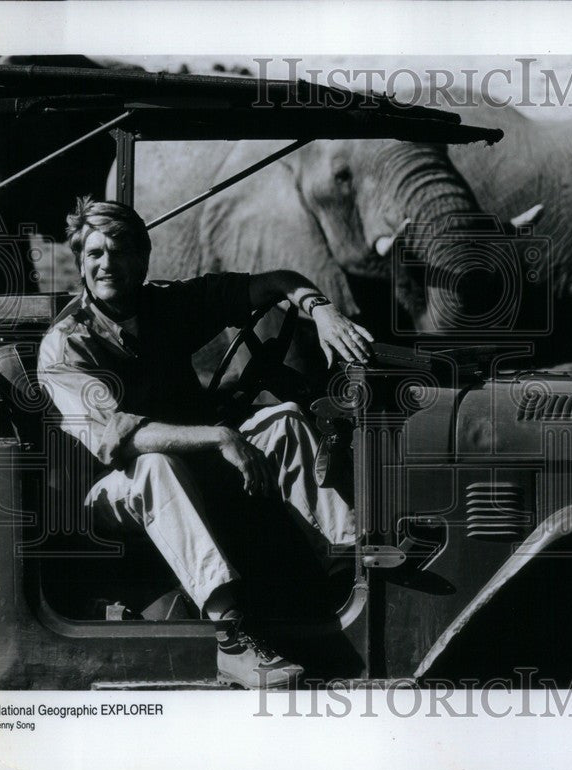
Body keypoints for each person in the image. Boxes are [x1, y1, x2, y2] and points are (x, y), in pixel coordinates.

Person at [37, 197, 374, 689]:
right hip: (103, 497)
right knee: (155, 465)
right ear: (81, 263)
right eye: (94, 254)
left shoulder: (166, 305)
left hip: (188, 471)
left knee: (282, 419)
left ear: (143, 257)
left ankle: (353, 569)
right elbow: (120, 442)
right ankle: (232, 639)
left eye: (121, 249)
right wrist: (219, 435)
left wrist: (319, 310)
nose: (107, 263)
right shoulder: (67, 343)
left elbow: (275, 281)